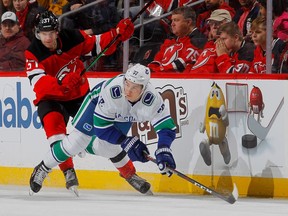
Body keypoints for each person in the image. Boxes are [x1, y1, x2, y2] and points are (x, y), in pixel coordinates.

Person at [25, 10, 134, 194]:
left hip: (79, 96)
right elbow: (39, 84)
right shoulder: (33, 53)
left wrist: (117, 35)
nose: (48, 37)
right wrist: (62, 84)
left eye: (51, 32)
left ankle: (130, 173)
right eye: (44, 33)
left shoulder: (72, 37)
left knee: (103, 134)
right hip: (51, 99)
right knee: (56, 134)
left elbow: (98, 44)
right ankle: (68, 171)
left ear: (57, 31)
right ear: (37, 33)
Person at [29, 64, 177, 195]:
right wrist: (126, 141)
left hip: (122, 114)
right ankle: (43, 167)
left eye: (134, 87)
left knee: (110, 147)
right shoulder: (113, 92)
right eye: (127, 84)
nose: (128, 90)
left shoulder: (153, 99)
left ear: (144, 88)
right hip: (96, 102)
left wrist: (164, 149)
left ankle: (129, 174)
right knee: (77, 142)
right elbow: (102, 128)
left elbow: (166, 127)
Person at [147, 6, 207, 73]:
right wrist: (149, 70)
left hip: (179, 81)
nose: (172, 24)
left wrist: (156, 70)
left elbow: (182, 64)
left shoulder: (198, 40)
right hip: (161, 77)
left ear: (188, 22)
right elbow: (158, 59)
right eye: (172, 20)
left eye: (176, 20)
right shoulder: (172, 40)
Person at [190, 9, 232, 73]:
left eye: (218, 23)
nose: (214, 26)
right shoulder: (208, 44)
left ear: (229, 24)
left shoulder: (231, 45)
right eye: (211, 23)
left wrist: (222, 56)